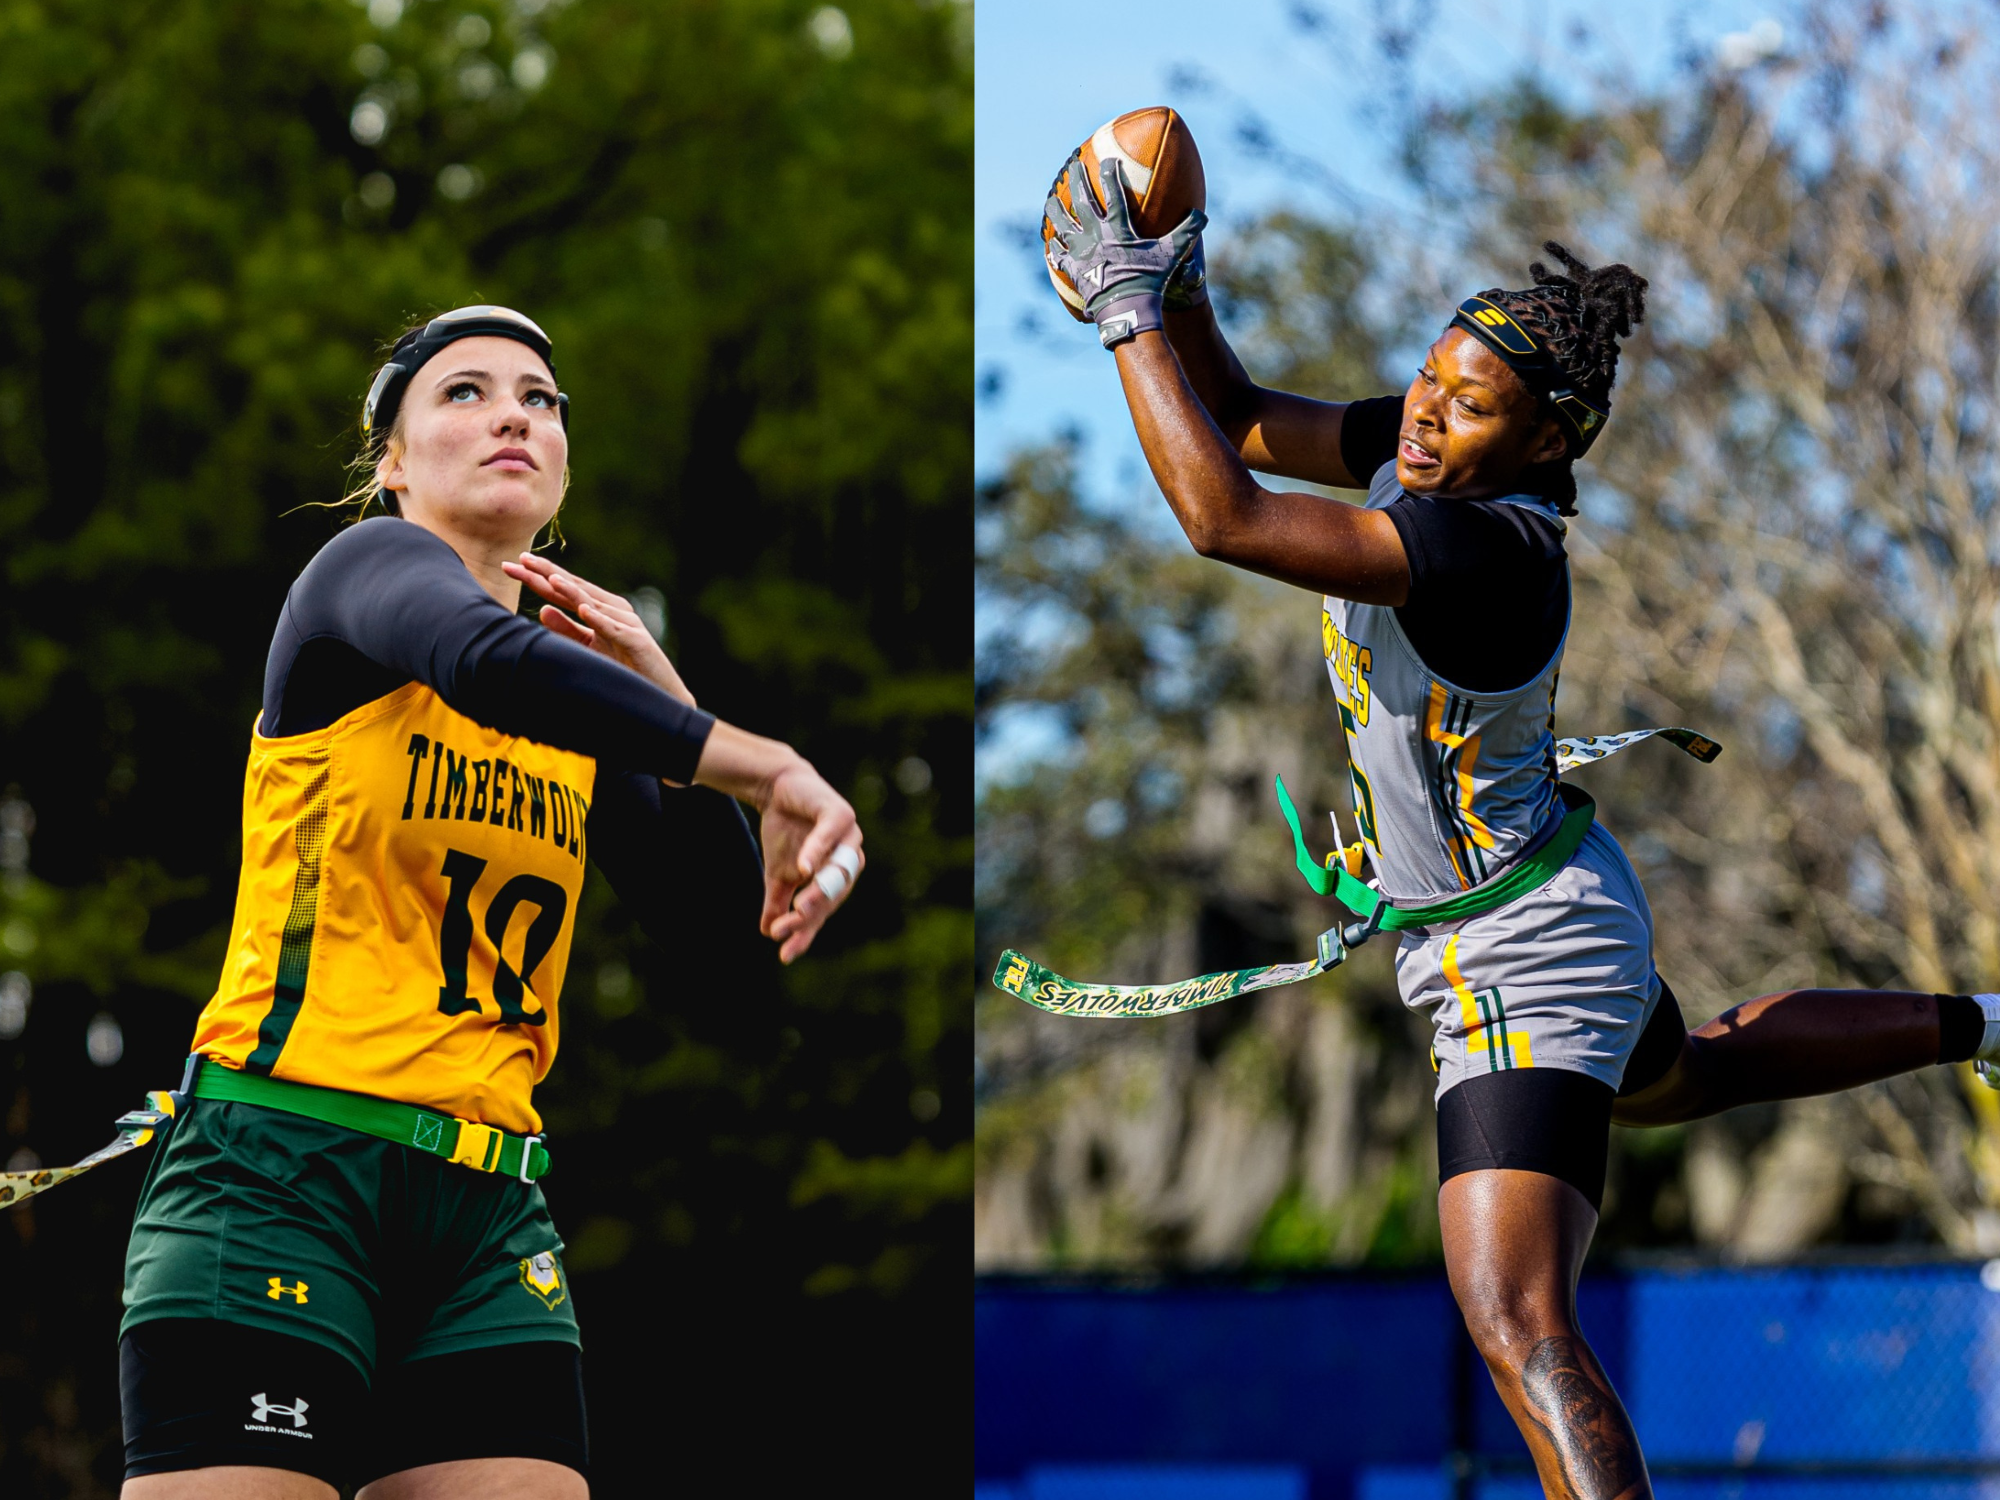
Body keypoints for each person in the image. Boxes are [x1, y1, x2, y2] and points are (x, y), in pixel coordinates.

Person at [1045, 157, 2000, 1499]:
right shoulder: (1440, 449)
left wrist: (1126, 316)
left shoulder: (1482, 548)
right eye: (1429, 379)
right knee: (1688, 1077)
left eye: (1468, 404)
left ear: (1547, 441)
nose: (1426, 418)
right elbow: (1251, 422)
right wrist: (1185, 295)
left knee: (1517, 1318)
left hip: (1522, 951)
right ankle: (1985, 1024)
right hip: (1549, 900)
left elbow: (1225, 516)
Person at [117, 305, 864, 1500]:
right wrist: (757, 760)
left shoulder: (585, 700)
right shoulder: (364, 574)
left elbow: (731, 943)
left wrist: (664, 688)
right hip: (280, 1173)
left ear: (560, 461)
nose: (515, 410)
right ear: (394, 463)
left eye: (540, 399)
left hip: (484, 1214)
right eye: (463, 392)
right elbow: (482, 660)